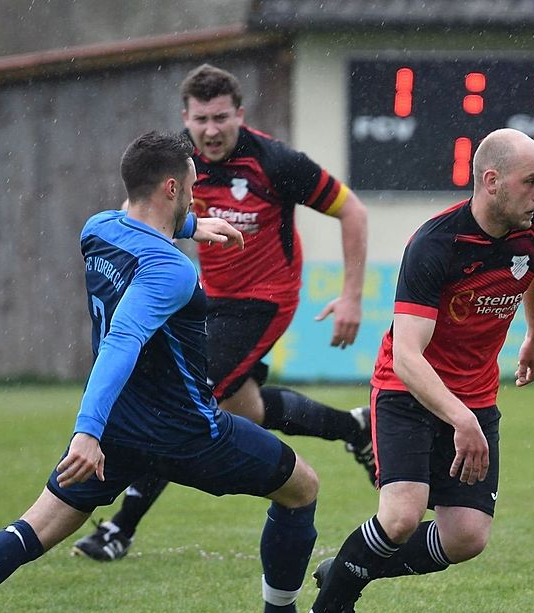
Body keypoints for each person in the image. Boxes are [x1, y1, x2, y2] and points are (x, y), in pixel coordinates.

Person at [0, 131, 319, 613]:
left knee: (30, 531)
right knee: (301, 488)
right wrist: (84, 433)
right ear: (172, 186)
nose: (198, 191)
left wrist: (195, 225)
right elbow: (122, 341)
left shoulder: (98, 229)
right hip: (186, 432)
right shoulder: (170, 270)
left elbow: (142, 223)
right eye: (193, 186)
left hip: (119, 432)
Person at [73, 63, 372, 562]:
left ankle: (119, 529)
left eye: (220, 118)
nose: (211, 131)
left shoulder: (276, 162)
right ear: (185, 118)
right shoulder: (178, 167)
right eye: (200, 120)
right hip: (212, 298)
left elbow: (352, 211)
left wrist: (352, 296)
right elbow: (147, 218)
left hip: (265, 299)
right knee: (244, 407)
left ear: (239, 114)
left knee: (181, 398)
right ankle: (354, 428)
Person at [298, 128, 534, 613]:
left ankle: (349, 569)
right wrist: (459, 418)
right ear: (491, 182)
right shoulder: (435, 245)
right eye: (531, 182)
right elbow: (410, 358)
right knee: (401, 517)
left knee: (467, 538)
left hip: (476, 397)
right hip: (406, 392)